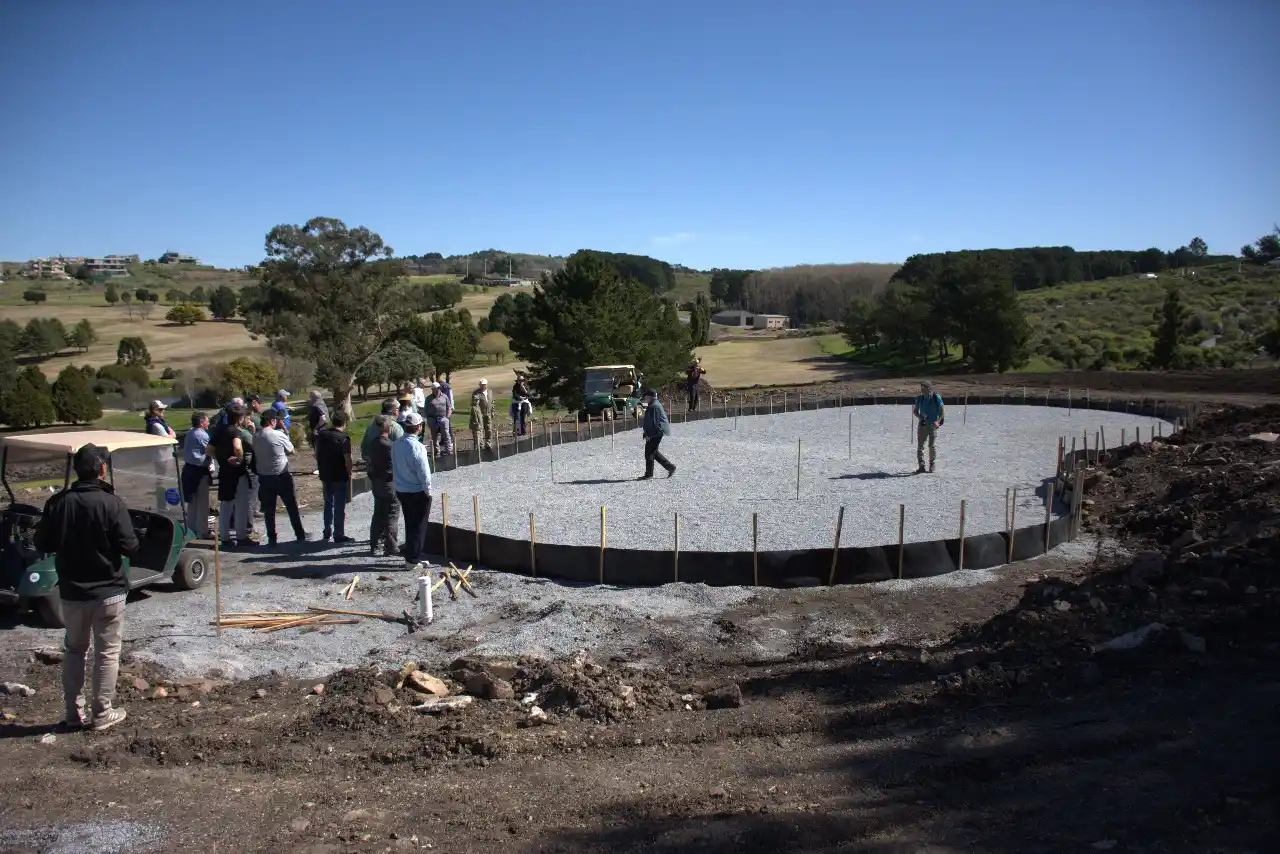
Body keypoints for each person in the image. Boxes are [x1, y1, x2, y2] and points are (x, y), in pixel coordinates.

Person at [34, 443, 138, 732]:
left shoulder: (57, 503)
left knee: (74, 650)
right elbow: (130, 546)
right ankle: (102, 713)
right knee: (106, 653)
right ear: (102, 469)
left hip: (72, 591)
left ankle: (72, 713)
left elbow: (41, 543)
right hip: (108, 591)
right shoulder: (111, 503)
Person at [253, 410, 308, 546]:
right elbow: (291, 450)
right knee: (291, 506)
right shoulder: (278, 434)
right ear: (272, 421)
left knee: (269, 510)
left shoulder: (256, 436)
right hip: (281, 475)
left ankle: (272, 537)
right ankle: (299, 534)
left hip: (264, 476)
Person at [392, 412, 433, 566]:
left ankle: (412, 555)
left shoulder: (396, 444)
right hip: (416, 491)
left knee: (410, 523)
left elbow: (394, 466)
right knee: (418, 526)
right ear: (418, 427)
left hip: (401, 490)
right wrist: (428, 491)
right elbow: (424, 473)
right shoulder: (417, 447)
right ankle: (413, 560)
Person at [213, 405, 254, 547]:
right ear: (239, 418)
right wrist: (239, 458)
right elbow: (237, 447)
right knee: (241, 505)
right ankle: (241, 536)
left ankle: (225, 537)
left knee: (225, 505)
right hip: (237, 473)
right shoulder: (234, 431)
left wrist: (222, 459)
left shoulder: (218, 431)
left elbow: (209, 450)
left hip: (224, 472)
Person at [314, 409, 353, 543]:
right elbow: (347, 459)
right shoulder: (343, 439)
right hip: (339, 475)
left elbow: (317, 453)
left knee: (328, 503)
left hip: (325, 473)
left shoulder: (322, 435)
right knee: (339, 505)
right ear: (344, 423)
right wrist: (349, 472)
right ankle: (339, 533)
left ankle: (327, 530)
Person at [366, 414, 401, 557]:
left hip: (376, 482)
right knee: (392, 514)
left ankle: (374, 545)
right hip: (389, 482)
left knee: (378, 514)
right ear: (389, 428)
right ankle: (391, 546)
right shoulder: (390, 446)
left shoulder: (373, 443)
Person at [180, 412, 213, 538]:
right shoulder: (202, 435)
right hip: (199, 471)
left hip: (188, 469)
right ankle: (203, 532)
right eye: (207, 421)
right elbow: (210, 450)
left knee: (192, 503)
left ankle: (191, 531)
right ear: (201, 422)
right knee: (202, 503)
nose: (208, 423)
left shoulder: (190, 433)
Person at [639, 388, 676, 479]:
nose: (645, 398)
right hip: (656, 432)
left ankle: (649, 474)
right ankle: (670, 467)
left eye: (646, 396)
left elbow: (655, 423)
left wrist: (649, 435)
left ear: (650, 397)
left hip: (656, 432)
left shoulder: (654, 406)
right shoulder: (654, 404)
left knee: (649, 453)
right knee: (654, 452)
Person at [912, 381, 945, 474]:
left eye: (924, 387)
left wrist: (938, 422)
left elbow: (942, 412)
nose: (922, 389)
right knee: (920, 446)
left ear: (929, 388)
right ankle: (921, 465)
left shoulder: (936, 398)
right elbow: (915, 411)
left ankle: (932, 464)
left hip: (932, 425)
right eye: (921, 387)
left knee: (931, 445)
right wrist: (920, 417)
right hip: (922, 425)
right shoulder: (919, 399)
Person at [424, 382, 453, 455]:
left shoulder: (445, 396)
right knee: (434, 436)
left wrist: (447, 416)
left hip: (443, 418)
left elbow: (449, 406)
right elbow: (425, 409)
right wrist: (428, 418)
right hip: (433, 419)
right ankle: (437, 452)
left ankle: (449, 451)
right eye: (433, 389)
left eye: (436, 389)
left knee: (446, 434)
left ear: (439, 388)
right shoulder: (428, 398)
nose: (435, 390)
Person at [306, 390, 328, 476]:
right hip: (322, 430)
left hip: (319, 431)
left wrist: (316, 428)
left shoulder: (316, 405)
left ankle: (321, 468)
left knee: (319, 450)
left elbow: (323, 418)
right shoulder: (322, 403)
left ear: (314, 397)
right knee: (319, 450)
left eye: (310, 396)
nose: (309, 398)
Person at [470, 378, 494, 452]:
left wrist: (493, 411)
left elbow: (492, 402)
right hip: (480, 414)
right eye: (481, 384)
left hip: (488, 413)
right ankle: (481, 445)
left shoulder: (490, 391)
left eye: (484, 384)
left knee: (489, 429)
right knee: (480, 429)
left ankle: (488, 444)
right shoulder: (476, 393)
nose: (482, 386)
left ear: (486, 384)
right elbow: (474, 404)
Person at [510, 371, 531, 436]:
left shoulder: (526, 386)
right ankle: (516, 432)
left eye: (522, 380)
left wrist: (524, 389)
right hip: (516, 403)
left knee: (523, 418)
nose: (521, 381)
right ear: (517, 381)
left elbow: (528, 394)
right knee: (516, 418)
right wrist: (520, 398)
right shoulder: (515, 387)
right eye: (520, 380)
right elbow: (515, 395)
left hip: (524, 403)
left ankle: (523, 432)